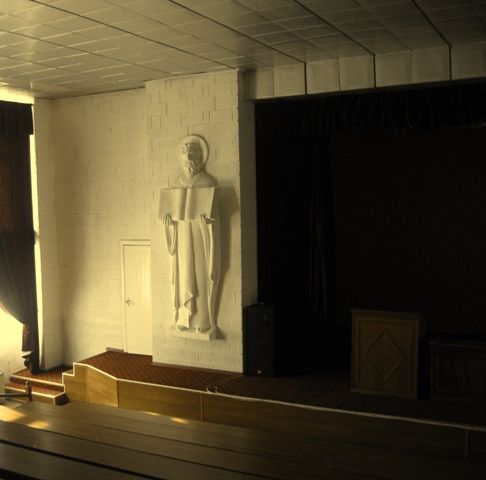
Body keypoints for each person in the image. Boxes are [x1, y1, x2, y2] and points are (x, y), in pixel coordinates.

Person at [162, 135, 219, 333]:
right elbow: (171, 212)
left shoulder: (208, 182)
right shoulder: (176, 183)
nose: (189, 159)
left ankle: (202, 320)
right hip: (182, 237)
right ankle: (184, 318)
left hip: (200, 236)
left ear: (200, 157)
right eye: (186, 155)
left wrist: (207, 223)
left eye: (192, 155)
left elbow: (215, 215)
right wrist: (169, 223)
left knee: (200, 275)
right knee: (183, 275)